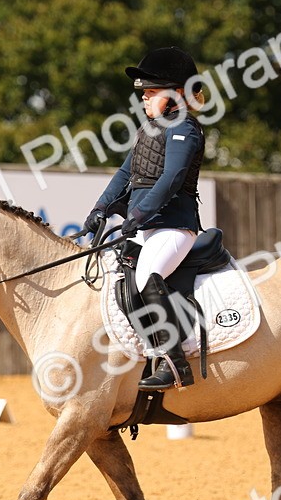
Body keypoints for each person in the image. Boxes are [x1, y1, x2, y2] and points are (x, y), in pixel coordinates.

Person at [84, 47, 206, 391]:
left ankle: (175, 363)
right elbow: (125, 173)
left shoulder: (185, 128)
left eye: (151, 92)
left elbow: (171, 178)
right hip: (147, 226)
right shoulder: (149, 129)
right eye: (144, 93)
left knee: (147, 276)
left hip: (173, 227)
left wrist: (137, 214)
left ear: (176, 94)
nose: (144, 98)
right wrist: (100, 209)